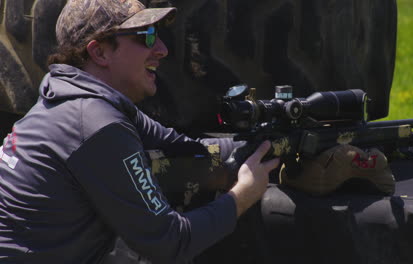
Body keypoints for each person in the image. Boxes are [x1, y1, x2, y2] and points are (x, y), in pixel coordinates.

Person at [0, 0, 279, 263]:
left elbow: (183, 146)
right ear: (100, 52)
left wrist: (273, 145)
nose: (162, 49)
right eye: (146, 36)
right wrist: (243, 194)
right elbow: (170, 242)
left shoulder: (70, 97)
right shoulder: (96, 125)